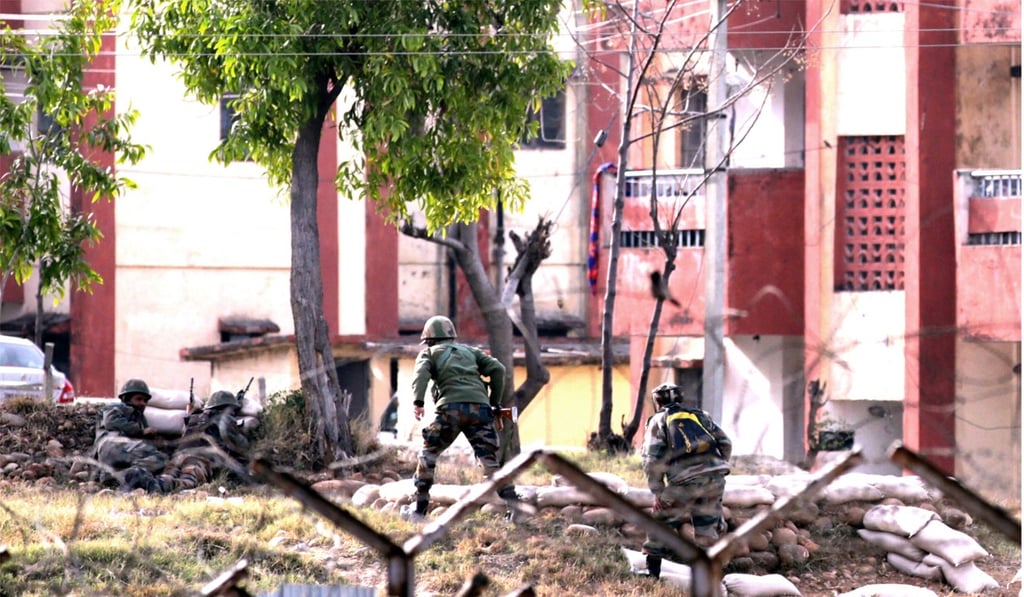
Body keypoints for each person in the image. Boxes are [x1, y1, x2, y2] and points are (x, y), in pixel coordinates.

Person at [404, 315, 515, 520]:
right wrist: (494, 402)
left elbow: (420, 376)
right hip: (480, 409)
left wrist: (418, 403)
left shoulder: (429, 353)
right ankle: (515, 507)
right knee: (489, 461)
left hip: (450, 409)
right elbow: (498, 369)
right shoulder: (471, 352)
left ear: (429, 339)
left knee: (428, 455)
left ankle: (419, 510)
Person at [641, 383, 732, 579]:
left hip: (684, 482)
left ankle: (652, 572)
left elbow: (652, 459)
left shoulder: (659, 419)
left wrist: (657, 492)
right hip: (714, 480)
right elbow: (726, 443)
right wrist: (716, 466)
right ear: (681, 398)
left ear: (657, 401)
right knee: (707, 527)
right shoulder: (701, 415)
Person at [152, 389, 253, 493]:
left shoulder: (194, 418)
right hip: (199, 459)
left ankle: (149, 486)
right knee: (187, 483)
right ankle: (162, 485)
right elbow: (242, 445)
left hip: (178, 456)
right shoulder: (225, 419)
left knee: (163, 479)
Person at [92, 379, 168, 487]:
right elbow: (111, 422)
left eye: (145, 401)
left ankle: (117, 475)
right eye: (138, 399)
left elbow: (141, 442)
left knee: (159, 460)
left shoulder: (141, 418)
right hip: (112, 444)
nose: (143, 403)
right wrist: (141, 431)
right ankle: (119, 475)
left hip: (124, 452)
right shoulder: (117, 407)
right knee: (160, 458)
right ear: (126, 398)